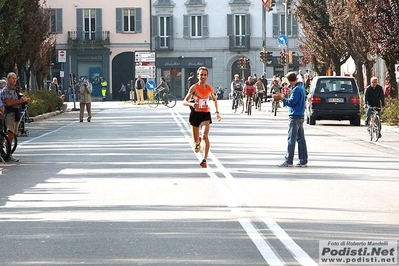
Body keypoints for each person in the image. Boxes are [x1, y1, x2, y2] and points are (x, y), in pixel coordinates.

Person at [183, 66, 221, 168]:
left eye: (205, 75)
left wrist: (217, 112)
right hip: (195, 114)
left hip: (205, 114)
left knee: (205, 136)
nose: (203, 77)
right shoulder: (194, 87)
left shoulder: (210, 88)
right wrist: (192, 105)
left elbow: (214, 99)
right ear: (198, 75)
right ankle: (197, 142)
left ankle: (204, 159)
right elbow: (184, 101)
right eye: (201, 75)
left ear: (207, 76)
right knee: (196, 140)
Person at [273, 71, 308, 167]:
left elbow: (292, 102)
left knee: (291, 139)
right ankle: (303, 160)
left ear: (290, 81)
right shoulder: (300, 88)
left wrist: (282, 99)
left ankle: (288, 160)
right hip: (300, 115)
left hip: (294, 116)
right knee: (301, 139)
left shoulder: (296, 89)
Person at [2, 72, 31, 162]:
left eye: (15, 79)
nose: (15, 80)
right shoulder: (6, 90)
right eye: (13, 78)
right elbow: (9, 103)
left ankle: (8, 153)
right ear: (8, 79)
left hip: (16, 113)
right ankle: (8, 155)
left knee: (12, 135)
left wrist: (24, 100)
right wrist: (20, 101)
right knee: (9, 135)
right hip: (9, 114)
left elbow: (17, 99)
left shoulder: (15, 89)